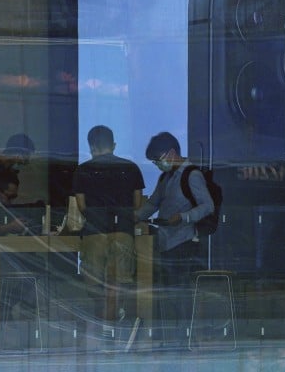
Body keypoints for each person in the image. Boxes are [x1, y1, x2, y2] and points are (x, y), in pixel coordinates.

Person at [136, 132, 214, 347]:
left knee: (181, 294)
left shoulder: (192, 175)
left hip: (184, 242)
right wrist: (133, 217)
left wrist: (184, 217)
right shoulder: (166, 177)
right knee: (169, 293)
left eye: (158, 160)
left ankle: (184, 338)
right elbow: (153, 203)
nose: (157, 165)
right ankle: (172, 338)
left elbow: (208, 206)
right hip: (166, 242)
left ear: (171, 153)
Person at [72, 125, 145, 327]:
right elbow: (137, 204)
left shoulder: (83, 170)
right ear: (113, 145)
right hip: (123, 231)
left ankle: (101, 323)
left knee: (95, 283)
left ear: (91, 147)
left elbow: (81, 205)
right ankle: (114, 322)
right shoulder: (131, 168)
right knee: (119, 281)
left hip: (95, 232)